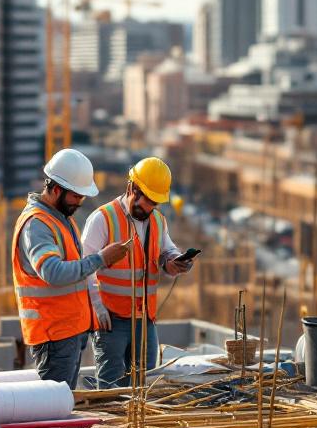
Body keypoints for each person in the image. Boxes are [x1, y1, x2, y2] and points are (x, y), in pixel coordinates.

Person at [11, 148, 130, 388]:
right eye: (76, 196)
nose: (80, 202)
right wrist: (101, 259)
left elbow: (77, 272)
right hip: (53, 334)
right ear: (56, 190)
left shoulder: (61, 219)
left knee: (62, 402)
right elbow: (53, 272)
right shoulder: (38, 224)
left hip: (70, 331)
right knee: (54, 407)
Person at [83, 157, 196, 387]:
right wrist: (97, 308)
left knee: (143, 386)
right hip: (110, 320)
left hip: (145, 320)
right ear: (132, 188)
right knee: (111, 388)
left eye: (156, 202)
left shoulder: (157, 220)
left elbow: (167, 250)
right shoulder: (102, 219)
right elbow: (84, 268)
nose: (150, 207)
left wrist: (174, 262)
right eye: (148, 200)